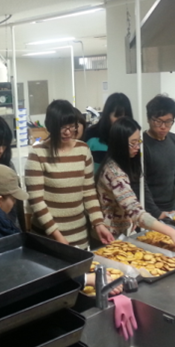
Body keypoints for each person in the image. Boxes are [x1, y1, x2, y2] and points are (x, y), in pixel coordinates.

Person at [95, 117, 175, 252]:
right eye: (132, 143)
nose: (137, 147)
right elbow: (135, 210)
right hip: (109, 237)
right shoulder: (113, 172)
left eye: (138, 141)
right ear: (119, 144)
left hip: (123, 233)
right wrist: (172, 233)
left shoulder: (126, 164)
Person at [25, 100, 114, 249]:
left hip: (79, 235)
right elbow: (36, 201)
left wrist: (98, 223)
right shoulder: (37, 154)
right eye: (62, 127)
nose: (67, 132)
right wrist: (56, 235)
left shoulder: (83, 150)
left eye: (72, 126)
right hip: (48, 238)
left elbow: (88, 192)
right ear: (50, 126)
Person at [142, 94, 175, 213]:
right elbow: (141, 183)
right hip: (150, 209)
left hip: (172, 206)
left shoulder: (174, 139)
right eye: (158, 121)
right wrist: (156, 212)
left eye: (168, 122)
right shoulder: (141, 144)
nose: (163, 127)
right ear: (148, 119)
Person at [84, 93, 133, 172]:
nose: (122, 121)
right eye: (117, 116)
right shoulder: (90, 136)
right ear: (107, 115)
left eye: (126, 117)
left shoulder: (131, 137)